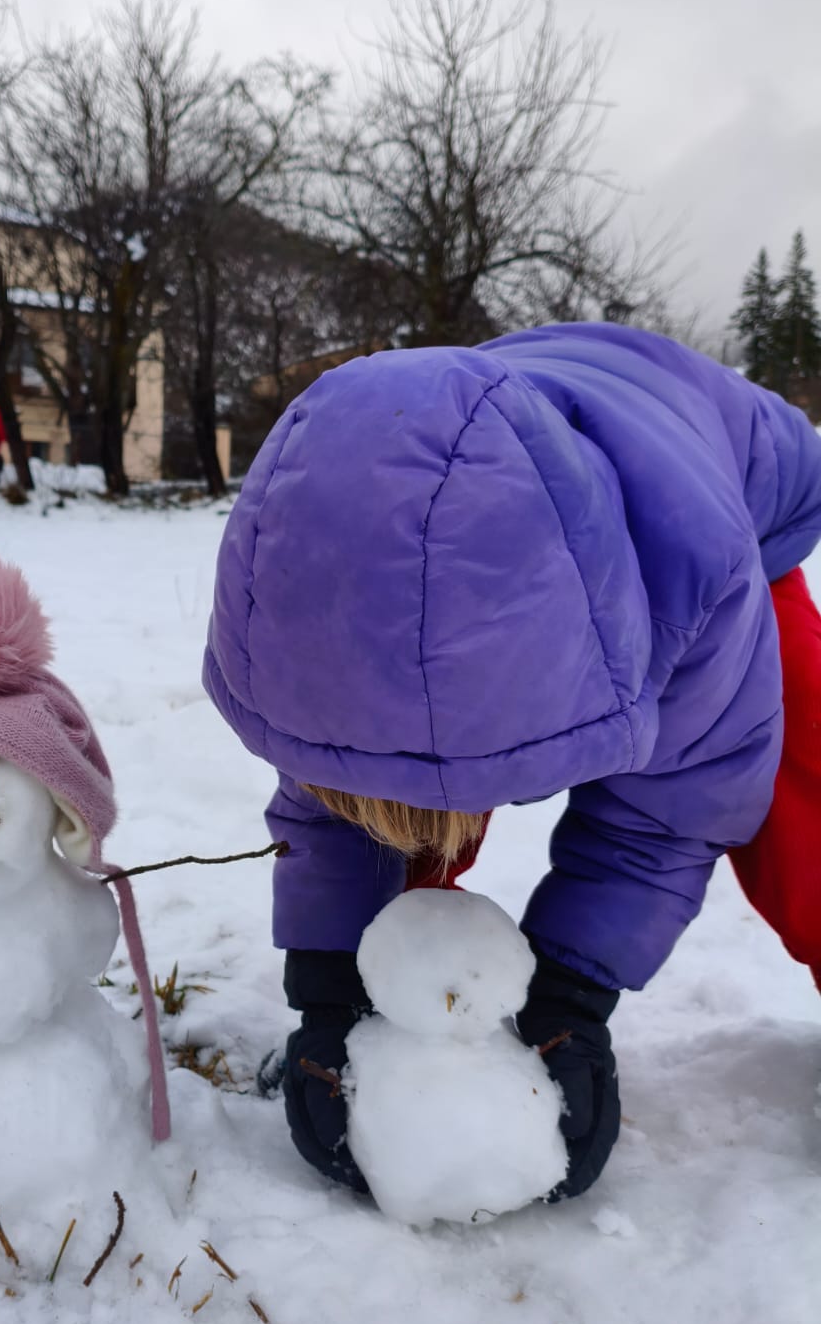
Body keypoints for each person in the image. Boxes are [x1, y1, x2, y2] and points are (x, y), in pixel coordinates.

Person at [203, 323, 821, 1202]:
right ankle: (407, 991)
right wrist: (331, 989)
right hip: (512, 500)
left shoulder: (700, 572)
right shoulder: (324, 604)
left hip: (737, 516)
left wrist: (573, 994)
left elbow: (668, 816)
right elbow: (330, 783)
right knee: (397, 775)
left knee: (798, 764)